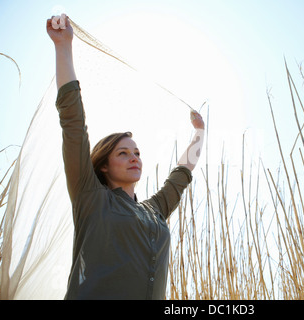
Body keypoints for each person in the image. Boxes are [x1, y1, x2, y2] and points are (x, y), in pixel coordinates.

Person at [46, 15, 205, 300]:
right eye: (123, 153)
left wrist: (199, 134)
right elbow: (73, 122)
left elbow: (181, 174)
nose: (134, 158)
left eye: (137, 153)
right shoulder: (90, 196)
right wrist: (63, 46)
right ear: (104, 165)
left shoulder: (155, 210)